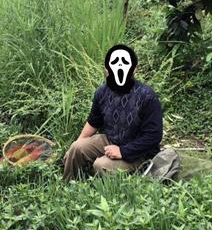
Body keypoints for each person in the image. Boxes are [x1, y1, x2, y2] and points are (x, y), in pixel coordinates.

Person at [63, 44, 163, 181]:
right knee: (76, 148)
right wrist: (74, 148)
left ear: (134, 69)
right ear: (107, 68)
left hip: (139, 152)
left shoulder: (147, 96)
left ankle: (112, 191)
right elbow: (93, 122)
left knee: (101, 165)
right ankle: (68, 185)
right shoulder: (102, 92)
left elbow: (153, 136)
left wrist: (123, 151)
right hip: (111, 140)